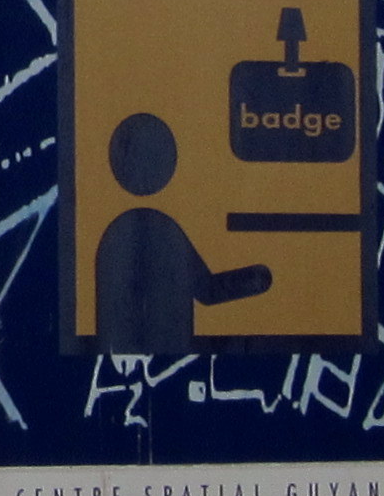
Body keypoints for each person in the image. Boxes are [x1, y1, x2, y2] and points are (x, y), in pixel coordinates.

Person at [92, 111, 273, 354]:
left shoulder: (112, 236)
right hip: (168, 357)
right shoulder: (165, 230)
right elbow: (208, 291)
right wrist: (258, 279)